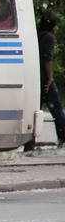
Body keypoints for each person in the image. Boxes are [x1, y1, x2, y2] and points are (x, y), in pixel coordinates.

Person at [37, 15, 65, 148]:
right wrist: (49, 77)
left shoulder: (37, 35)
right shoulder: (48, 37)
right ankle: (63, 138)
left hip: (35, 78)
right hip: (44, 79)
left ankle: (29, 143)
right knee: (57, 110)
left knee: (34, 110)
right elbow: (48, 59)